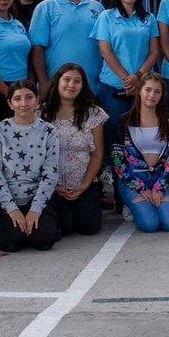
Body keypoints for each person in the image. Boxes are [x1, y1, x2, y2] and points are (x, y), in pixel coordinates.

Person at [0, 80, 61, 252]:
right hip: (3, 199)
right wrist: (12, 209)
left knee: (43, 241)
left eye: (29, 97)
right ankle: (13, 226)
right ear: (10, 103)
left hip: (34, 197)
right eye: (17, 99)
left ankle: (33, 225)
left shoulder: (48, 131)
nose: (24, 104)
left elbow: (50, 173)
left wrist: (36, 209)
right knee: (11, 242)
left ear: (37, 100)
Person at [41, 62, 109, 236]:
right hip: (52, 185)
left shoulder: (93, 113)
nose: (71, 85)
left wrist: (85, 184)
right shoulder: (40, 114)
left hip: (83, 183)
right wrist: (54, 186)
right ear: (57, 82)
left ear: (83, 85)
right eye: (67, 80)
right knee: (63, 226)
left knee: (89, 227)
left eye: (77, 81)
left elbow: (97, 153)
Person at [111, 73, 169, 232]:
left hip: (158, 178)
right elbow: (117, 160)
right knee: (150, 225)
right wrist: (141, 187)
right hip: (133, 178)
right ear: (139, 91)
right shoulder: (125, 121)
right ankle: (132, 206)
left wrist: (160, 186)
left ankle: (149, 204)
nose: (152, 95)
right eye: (148, 90)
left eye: (157, 91)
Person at [94, 0, 161, 128]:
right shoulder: (107, 16)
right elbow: (105, 51)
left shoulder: (149, 18)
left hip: (142, 87)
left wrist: (137, 77)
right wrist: (127, 79)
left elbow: (154, 52)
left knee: (138, 132)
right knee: (114, 134)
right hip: (113, 86)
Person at [30, 0, 106, 94]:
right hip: (57, 88)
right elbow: (37, 49)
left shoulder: (98, 8)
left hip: (92, 87)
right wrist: (42, 82)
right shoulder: (45, 8)